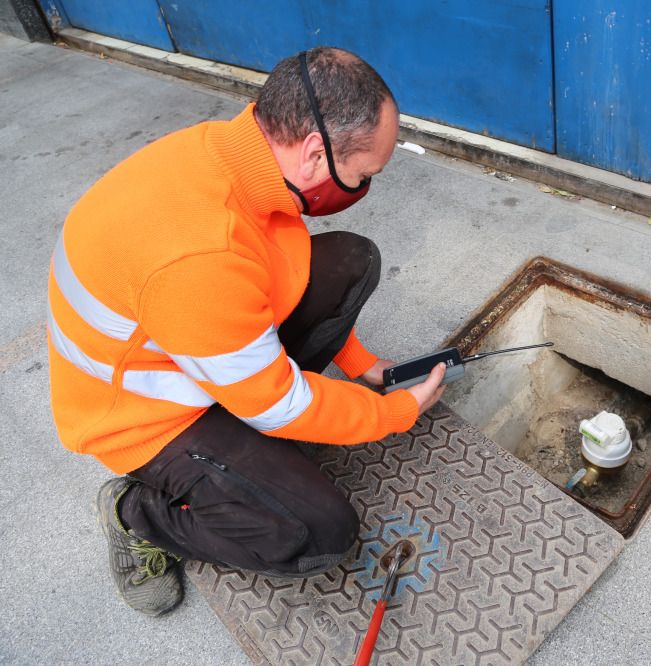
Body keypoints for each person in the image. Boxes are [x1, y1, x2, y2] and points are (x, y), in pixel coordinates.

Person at [47, 47, 446, 616]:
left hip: (199, 343)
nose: (362, 188)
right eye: (363, 175)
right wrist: (392, 414)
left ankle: (245, 448)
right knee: (320, 531)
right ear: (314, 152)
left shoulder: (234, 154)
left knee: (350, 259)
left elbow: (279, 273)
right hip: (147, 415)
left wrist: (365, 367)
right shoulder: (201, 253)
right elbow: (278, 403)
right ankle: (137, 514)